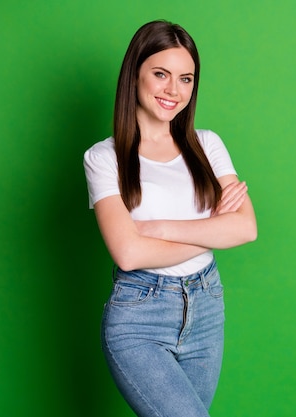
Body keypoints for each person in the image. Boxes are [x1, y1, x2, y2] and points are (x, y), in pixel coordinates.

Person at [83, 20, 257, 417]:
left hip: (207, 307)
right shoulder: (103, 158)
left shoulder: (207, 145)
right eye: (161, 74)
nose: (173, 90)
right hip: (139, 314)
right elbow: (128, 254)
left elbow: (246, 227)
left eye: (186, 78)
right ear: (135, 75)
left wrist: (158, 229)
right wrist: (214, 229)